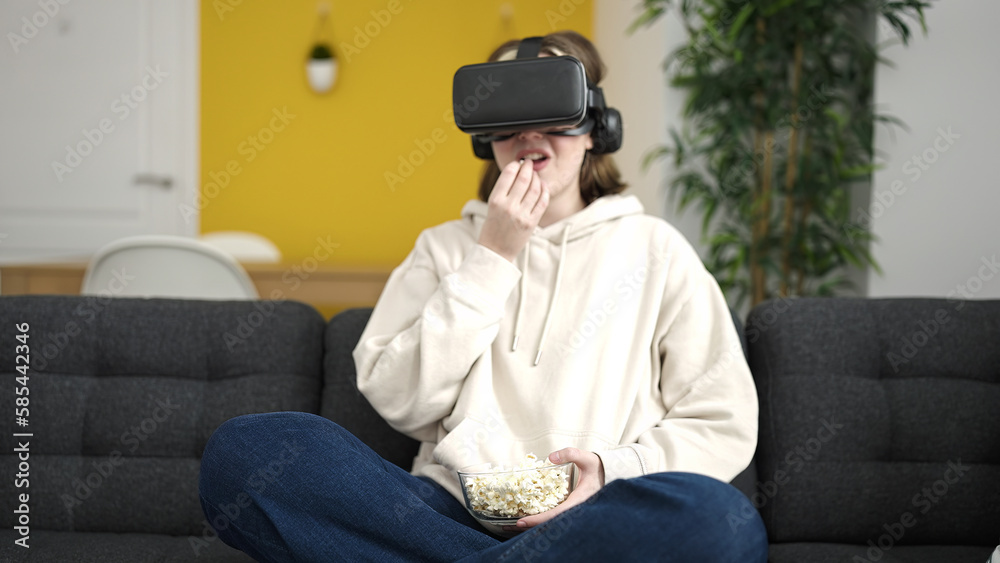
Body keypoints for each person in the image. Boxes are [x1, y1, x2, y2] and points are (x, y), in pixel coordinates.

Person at [199, 30, 768, 562]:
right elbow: (401, 399)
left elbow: (722, 418)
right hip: (445, 508)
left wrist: (612, 469)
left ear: (596, 128)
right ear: (483, 136)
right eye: (506, 113)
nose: (529, 132)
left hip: (596, 511)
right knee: (246, 453)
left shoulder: (657, 249)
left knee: (723, 522)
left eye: (552, 109)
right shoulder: (443, 248)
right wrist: (492, 257)